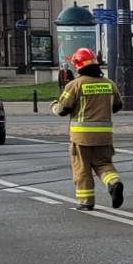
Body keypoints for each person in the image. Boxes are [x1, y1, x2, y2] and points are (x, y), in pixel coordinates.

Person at [52, 48, 125, 211]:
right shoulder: (109, 84)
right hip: (104, 138)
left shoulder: (75, 85)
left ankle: (86, 201)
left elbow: (63, 109)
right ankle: (114, 183)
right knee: (104, 165)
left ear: (77, 66)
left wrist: (53, 107)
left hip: (81, 138)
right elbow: (118, 105)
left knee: (82, 170)